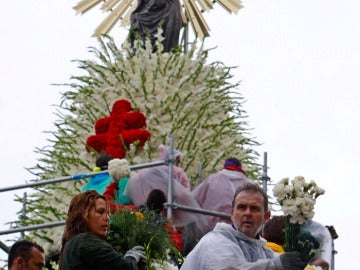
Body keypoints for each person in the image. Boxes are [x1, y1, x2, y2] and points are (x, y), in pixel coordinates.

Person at [181, 183, 314, 270]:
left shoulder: (263, 251)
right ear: (232, 214)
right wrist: (278, 265)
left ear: (266, 216)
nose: (247, 213)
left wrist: (298, 262)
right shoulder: (215, 242)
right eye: (242, 207)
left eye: (254, 208)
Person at [59, 190, 145, 270]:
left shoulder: (70, 246)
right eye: (100, 212)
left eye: (108, 213)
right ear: (83, 215)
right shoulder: (85, 241)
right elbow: (124, 268)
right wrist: (132, 258)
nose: (107, 218)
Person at [192, 157, 252, 237]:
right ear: (240, 167)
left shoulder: (212, 179)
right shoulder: (249, 185)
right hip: (239, 230)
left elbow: (194, 200)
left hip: (211, 228)